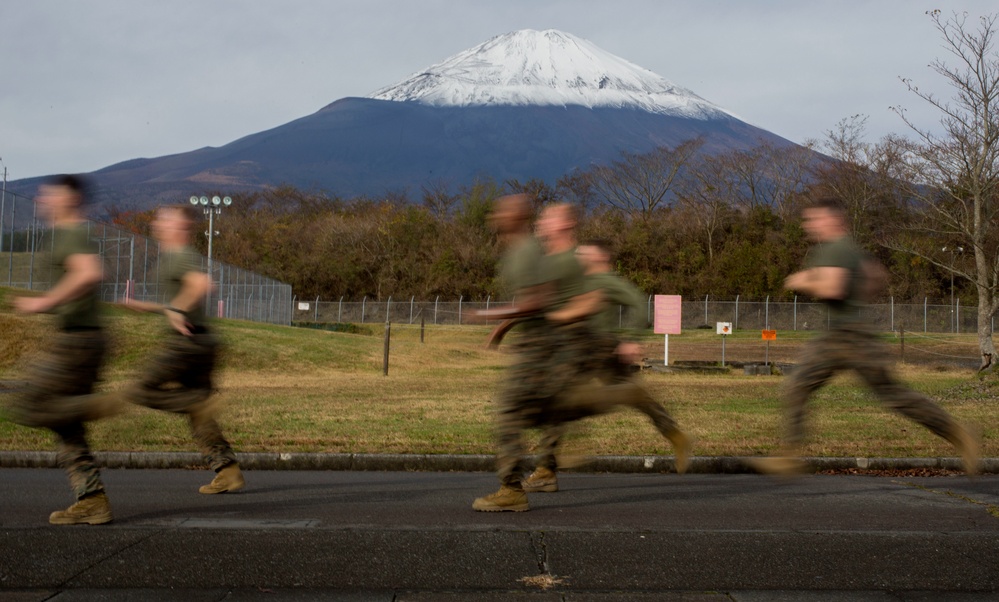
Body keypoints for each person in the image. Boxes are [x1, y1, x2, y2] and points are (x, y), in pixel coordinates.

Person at [749, 195, 980, 475]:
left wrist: (802, 279)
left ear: (832, 219)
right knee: (894, 395)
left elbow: (832, 289)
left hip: (842, 336)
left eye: (814, 219)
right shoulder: (854, 249)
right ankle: (959, 435)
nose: (809, 225)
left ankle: (789, 456)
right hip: (858, 333)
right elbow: (877, 276)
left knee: (798, 386)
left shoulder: (833, 249)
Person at [522, 237, 692, 493]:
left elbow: (638, 303)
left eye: (584, 253)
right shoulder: (582, 281)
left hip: (600, 350)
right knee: (628, 398)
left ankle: (547, 468)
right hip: (582, 350)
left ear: (600, 257)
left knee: (566, 402)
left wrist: (632, 340)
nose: (578, 256)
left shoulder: (607, 279)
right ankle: (547, 468)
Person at [9, 175, 117, 525]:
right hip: (83, 337)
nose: (43, 200)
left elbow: (89, 272)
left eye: (50, 195)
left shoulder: (72, 233)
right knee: (66, 424)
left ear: (69, 198)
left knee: (30, 404)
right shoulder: (68, 234)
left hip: (78, 340)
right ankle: (92, 499)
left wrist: (45, 302)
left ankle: (96, 405)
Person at [118, 204, 244, 494]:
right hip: (203, 341)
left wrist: (176, 308)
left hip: (186, 344)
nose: (158, 223)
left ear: (181, 228)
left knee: (139, 389)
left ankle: (198, 405)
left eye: (166, 220)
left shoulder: (181, 255)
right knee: (199, 414)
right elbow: (180, 300)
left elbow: (201, 284)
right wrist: (147, 306)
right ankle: (227, 470)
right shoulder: (174, 257)